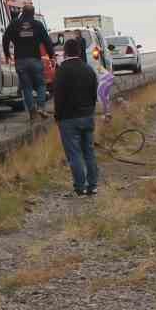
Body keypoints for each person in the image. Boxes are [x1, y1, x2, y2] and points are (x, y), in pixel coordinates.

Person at [53, 37, 99, 196]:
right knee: (89, 152)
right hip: (87, 116)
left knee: (74, 154)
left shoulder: (61, 71)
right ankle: (93, 185)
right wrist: (90, 110)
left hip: (68, 118)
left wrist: (57, 116)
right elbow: (94, 94)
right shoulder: (88, 69)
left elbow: (57, 97)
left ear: (65, 52)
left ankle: (80, 186)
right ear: (80, 51)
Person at [3, 0, 57, 122]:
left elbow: (5, 38)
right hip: (35, 59)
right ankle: (41, 107)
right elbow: (47, 41)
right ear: (33, 14)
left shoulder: (14, 24)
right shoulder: (38, 25)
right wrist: (52, 56)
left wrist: (7, 54)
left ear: (22, 12)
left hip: (20, 61)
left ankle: (32, 112)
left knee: (26, 87)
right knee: (40, 85)